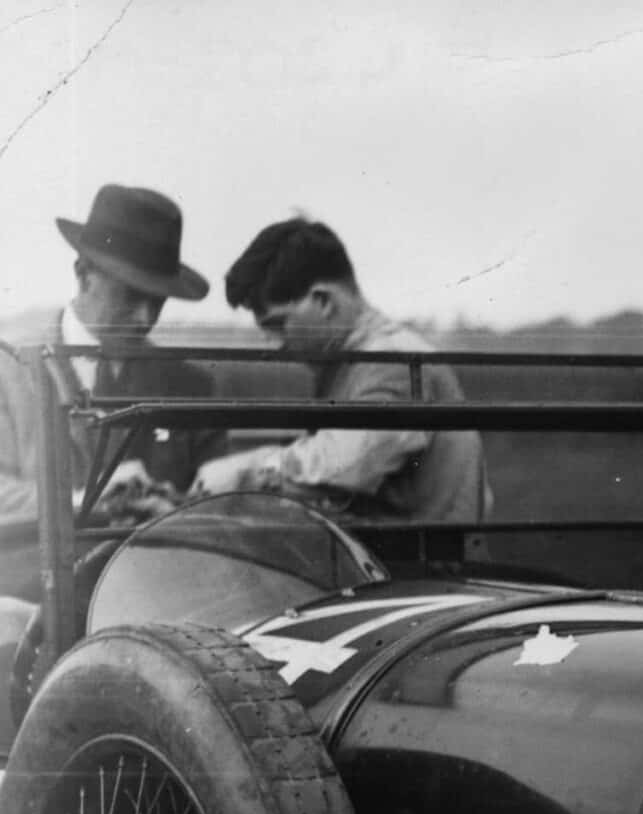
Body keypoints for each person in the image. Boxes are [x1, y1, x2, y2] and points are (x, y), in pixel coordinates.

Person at [0, 184, 220, 603]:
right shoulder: (7, 370)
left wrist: (175, 511)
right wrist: (86, 500)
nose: (145, 319)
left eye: (158, 303)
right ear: (83, 274)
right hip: (30, 608)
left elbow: (213, 511)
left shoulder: (192, 387)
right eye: (132, 296)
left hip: (158, 603)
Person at [194, 219, 489, 529]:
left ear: (322, 301)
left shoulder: (391, 361)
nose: (273, 343)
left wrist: (247, 473)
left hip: (427, 566)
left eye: (278, 325)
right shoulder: (351, 363)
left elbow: (345, 465)